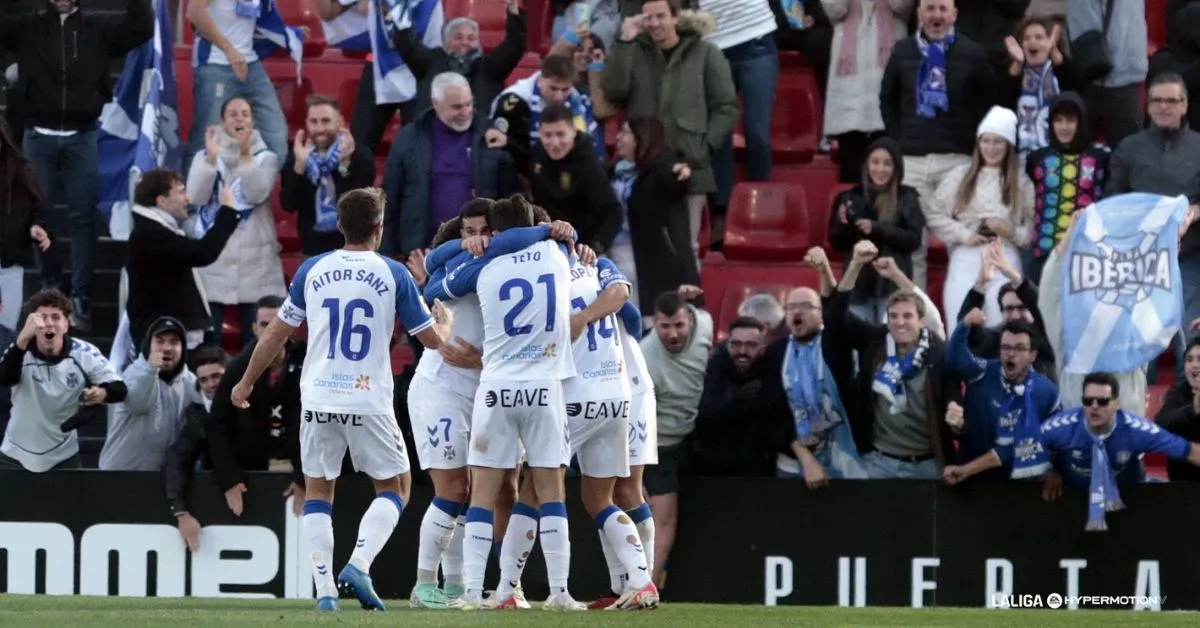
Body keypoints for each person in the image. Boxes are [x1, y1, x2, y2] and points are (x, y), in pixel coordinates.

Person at [230, 187, 452, 613]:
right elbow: (430, 340)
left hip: (318, 396)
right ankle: (359, 564)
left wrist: (245, 382)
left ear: (340, 226)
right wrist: (445, 322)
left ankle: (325, 590)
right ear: (379, 228)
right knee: (396, 487)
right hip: (368, 398)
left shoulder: (313, 269)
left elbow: (276, 332)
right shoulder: (393, 273)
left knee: (318, 490)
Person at [422, 197, 587, 611]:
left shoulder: (485, 266)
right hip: (545, 387)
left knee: (482, 495)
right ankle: (560, 592)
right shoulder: (557, 253)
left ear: (496, 232)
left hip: (495, 389)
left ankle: (474, 593)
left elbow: (433, 282)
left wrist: (469, 249)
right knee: (551, 494)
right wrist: (556, 231)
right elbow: (570, 242)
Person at [1, 0, 153, 333]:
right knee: (39, 214)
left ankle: (81, 296)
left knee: (83, 216)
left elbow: (140, 29)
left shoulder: (98, 28)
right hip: (36, 135)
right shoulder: (29, 27)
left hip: (82, 136)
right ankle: (51, 283)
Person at [950, 372, 1200, 531]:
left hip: (1128, 502)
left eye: (1102, 401)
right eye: (1087, 400)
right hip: (1074, 504)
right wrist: (964, 470)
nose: (1093, 407)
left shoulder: (1136, 429)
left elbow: (1188, 451)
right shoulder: (1063, 426)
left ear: (1116, 404)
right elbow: (1010, 451)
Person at [604, 0, 739, 261]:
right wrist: (625, 43)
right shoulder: (633, 50)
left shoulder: (705, 53)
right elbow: (615, 91)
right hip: (642, 169)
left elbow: (726, 107)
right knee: (642, 251)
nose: (654, 23)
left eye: (660, 16)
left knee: (684, 250)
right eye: (648, 17)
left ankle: (685, 302)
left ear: (676, 17)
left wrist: (705, 146)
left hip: (690, 164)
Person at [879, 0, 996, 289]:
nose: (936, 16)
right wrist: (899, 140)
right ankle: (914, 319)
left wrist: (972, 146)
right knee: (911, 244)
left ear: (955, 14)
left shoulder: (973, 52)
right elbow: (887, 99)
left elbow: (988, 102)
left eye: (943, 9)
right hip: (912, 162)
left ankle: (965, 313)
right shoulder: (903, 50)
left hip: (957, 162)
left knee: (962, 240)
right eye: (930, 9)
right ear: (919, 14)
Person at [830, 241, 962, 479]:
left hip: (928, 465)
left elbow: (953, 391)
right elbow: (837, 320)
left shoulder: (937, 350)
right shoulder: (875, 341)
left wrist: (957, 417)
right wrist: (856, 266)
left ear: (921, 321)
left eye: (907, 316)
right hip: (880, 464)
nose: (900, 322)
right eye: (893, 316)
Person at [1106, 73, 1200, 375]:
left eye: (1171, 100)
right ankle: (1138, 406)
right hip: (1139, 258)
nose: (1163, 106)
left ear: (1184, 106)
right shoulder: (1129, 147)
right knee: (1140, 344)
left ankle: (1190, 405)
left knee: (1191, 340)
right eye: (1157, 100)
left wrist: (1193, 213)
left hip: (1189, 257)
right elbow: (1112, 199)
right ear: (1147, 107)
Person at [381, 72, 519, 260]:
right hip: (424, 252)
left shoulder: (489, 133)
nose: (465, 111)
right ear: (436, 103)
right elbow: (390, 199)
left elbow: (511, 193)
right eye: (457, 107)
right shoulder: (409, 138)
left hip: (483, 250)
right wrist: (386, 252)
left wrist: (510, 143)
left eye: (469, 104)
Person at [186, 96, 285, 346]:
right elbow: (195, 196)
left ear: (252, 121)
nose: (239, 118)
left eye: (245, 114)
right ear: (222, 121)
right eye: (233, 114)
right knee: (210, 342)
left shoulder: (266, 157)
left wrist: (245, 156)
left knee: (256, 344)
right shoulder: (205, 155)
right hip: (213, 262)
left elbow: (257, 192)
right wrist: (210, 160)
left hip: (256, 266)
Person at [926, 105, 1034, 334]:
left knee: (1002, 329)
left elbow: (1033, 231)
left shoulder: (1020, 182)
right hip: (966, 258)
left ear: (1008, 146)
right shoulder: (961, 176)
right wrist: (965, 235)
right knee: (960, 327)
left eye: (998, 142)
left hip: (1004, 258)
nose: (991, 148)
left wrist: (1010, 231)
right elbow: (934, 213)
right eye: (986, 141)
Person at [764, 248, 865, 485]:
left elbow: (837, 312)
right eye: (791, 307)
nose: (797, 311)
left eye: (805, 306)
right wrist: (805, 457)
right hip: (794, 462)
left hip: (845, 456)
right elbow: (773, 412)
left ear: (822, 315)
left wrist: (825, 270)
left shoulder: (835, 341)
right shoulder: (775, 353)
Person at [0, 290, 127, 472]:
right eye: (42, 317)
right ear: (32, 324)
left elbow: (120, 389)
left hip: (63, 455)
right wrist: (22, 339)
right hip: (15, 454)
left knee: (72, 501)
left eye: (56, 317)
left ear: (66, 324)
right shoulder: (19, 351)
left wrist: (103, 392)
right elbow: (5, 378)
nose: (49, 323)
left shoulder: (85, 353)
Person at [640, 288, 712, 586]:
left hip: (699, 434)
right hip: (660, 446)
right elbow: (632, 419)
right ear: (654, 323)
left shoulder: (706, 322)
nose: (672, 333)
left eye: (679, 325)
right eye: (665, 326)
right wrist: (636, 473)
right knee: (663, 522)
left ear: (691, 322)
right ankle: (647, 589)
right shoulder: (645, 357)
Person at [126, 169, 241, 353]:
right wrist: (227, 212)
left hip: (172, 330)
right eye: (181, 192)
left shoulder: (155, 231)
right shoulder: (149, 234)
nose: (187, 199)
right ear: (161, 200)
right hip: (164, 335)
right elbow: (203, 253)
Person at [943, 313, 1061, 480]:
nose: (1011, 354)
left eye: (1019, 348)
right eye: (1005, 347)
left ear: (1033, 355)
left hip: (1023, 485)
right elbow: (954, 359)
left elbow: (1011, 449)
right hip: (975, 483)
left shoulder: (1044, 391)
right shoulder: (983, 372)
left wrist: (965, 470)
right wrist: (965, 325)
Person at [208, 319, 306, 520]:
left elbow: (327, 422)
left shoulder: (309, 361)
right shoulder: (238, 368)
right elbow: (218, 425)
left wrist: (306, 477)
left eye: (278, 323)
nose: (271, 330)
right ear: (253, 328)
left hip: (302, 470)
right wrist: (229, 479)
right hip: (252, 473)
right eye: (264, 324)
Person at [828, 136, 925, 322]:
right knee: (858, 348)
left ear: (896, 167)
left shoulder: (907, 197)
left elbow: (913, 240)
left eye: (887, 163)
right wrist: (843, 225)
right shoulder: (849, 196)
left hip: (892, 288)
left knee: (891, 345)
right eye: (875, 162)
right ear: (866, 164)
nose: (880, 169)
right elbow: (837, 243)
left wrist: (877, 228)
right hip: (857, 288)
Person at [609, 117, 699, 311]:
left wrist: (679, 173)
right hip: (618, 251)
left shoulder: (659, 169)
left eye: (625, 132)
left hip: (655, 263)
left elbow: (671, 177)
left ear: (642, 138)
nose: (618, 137)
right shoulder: (614, 171)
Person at [698, 0, 780, 212]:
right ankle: (722, 211)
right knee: (718, 135)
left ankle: (760, 206)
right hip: (713, 46)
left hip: (757, 39)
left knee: (758, 135)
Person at [186, 0, 289, 168]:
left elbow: (264, 17)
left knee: (276, 139)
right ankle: (191, 193)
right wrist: (229, 50)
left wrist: (288, 34)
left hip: (250, 62)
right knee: (205, 141)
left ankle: (253, 188)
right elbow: (194, 12)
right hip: (215, 63)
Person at [392, 0, 528, 125]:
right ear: (445, 42)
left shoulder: (489, 67)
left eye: (471, 38)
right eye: (458, 37)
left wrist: (512, 8)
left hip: (477, 139)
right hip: (431, 138)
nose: (465, 42)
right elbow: (406, 44)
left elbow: (514, 46)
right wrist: (400, 11)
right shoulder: (430, 63)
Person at [822, 0, 914, 184]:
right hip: (849, 69)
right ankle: (852, 210)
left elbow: (901, 6)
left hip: (889, 57)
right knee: (851, 160)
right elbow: (834, 10)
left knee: (887, 156)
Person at [1023, 91, 1109, 284]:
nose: (1064, 127)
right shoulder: (1036, 159)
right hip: (1043, 253)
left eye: (1070, 120)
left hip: (1086, 253)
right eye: (1058, 120)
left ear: (1081, 122)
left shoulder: (1099, 158)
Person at [281, 95, 376, 257]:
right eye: (314, 121)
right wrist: (299, 167)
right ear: (306, 123)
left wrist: (345, 165)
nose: (319, 129)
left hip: (352, 252)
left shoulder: (359, 155)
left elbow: (361, 205)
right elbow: (288, 204)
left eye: (326, 121)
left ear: (339, 122)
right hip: (313, 253)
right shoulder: (298, 156)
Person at [98, 316, 196, 471]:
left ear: (183, 348)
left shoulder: (191, 382)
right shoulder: (134, 372)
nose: (167, 348)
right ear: (149, 345)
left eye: (174, 342)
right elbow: (138, 406)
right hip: (120, 473)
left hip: (158, 478)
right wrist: (150, 370)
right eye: (160, 341)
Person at [527, 104, 624, 253]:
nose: (554, 143)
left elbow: (613, 211)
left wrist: (595, 247)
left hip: (581, 249)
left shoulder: (588, 165)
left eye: (560, 134)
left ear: (573, 131)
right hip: (547, 245)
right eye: (548, 135)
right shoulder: (538, 154)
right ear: (539, 133)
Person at [489, 54, 603, 176]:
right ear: (540, 80)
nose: (559, 97)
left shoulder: (576, 99)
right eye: (553, 88)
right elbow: (504, 151)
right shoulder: (516, 101)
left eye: (565, 90)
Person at [693, 316, 778, 478]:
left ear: (762, 348)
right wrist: (735, 401)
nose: (742, 352)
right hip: (715, 471)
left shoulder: (771, 372)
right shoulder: (714, 370)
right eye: (736, 344)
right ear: (728, 344)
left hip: (760, 473)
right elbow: (703, 420)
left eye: (751, 345)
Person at [956, 242, 1055, 379]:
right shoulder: (994, 339)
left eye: (1021, 308)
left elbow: (1043, 308)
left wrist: (1013, 276)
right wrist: (980, 284)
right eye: (1009, 309)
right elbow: (967, 332)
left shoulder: (1047, 338)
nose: (1015, 315)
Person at [164, 346, 228, 553]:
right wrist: (181, 512)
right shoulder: (197, 415)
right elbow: (177, 458)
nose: (211, 384)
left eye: (216, 376)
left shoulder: (255, 398)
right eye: (203, 380)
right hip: (219, 491)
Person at [1066, 0, 1147, 150]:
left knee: (1128, 157)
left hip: (1127, 77)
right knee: (1084, 158)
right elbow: (1082, 25)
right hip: (1101, 76)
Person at [1000, 16, 1082, 160]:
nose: (1033, 41)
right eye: (1027, 38)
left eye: (1039, 37)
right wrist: (1018, 64)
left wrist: (1056, 55)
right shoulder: (1013, 72)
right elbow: (1003, 107)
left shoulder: (1062, 68)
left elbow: (1076, 90)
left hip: (1059, 155)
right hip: (1020, 157)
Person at [0, 118, 51, 331]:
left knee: (7, 327)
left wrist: (36, 226)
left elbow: (38, 206)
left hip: (9, 258)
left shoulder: (20, 169)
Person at [1156, 338, 1200, 482]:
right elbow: (1160, 423)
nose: (1195, 365)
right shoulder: (1177, 393)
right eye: (1189, 359)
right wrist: (1193, 410)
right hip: (1182, 481)